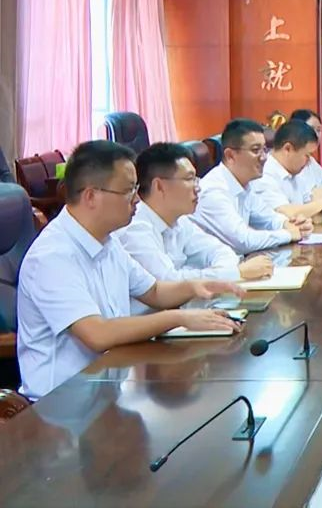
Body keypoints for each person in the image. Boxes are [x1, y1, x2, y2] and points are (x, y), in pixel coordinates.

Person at [17, 141, 242, 401]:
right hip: (61, 405)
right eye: (128, 191)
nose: (137, 199)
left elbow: (154, 291)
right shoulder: (52, 256)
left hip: (108, 385)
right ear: (91, 196)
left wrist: (197, 286)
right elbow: (97, 334)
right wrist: (179, 318)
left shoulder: (108, 241)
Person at [117, 142, 273, 283]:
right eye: (189, 179)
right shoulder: (135, 229)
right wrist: (236, 273)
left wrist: (221, 272)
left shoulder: (180, 220)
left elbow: (221, 251)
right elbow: (167, 283)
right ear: (159, 186)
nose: (198, 187)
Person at [191, 119, 311, 254]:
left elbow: (268, 217)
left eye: (264, 149)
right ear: (230, 155)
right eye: (255, 150)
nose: (264, 157)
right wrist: (288, 234)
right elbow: (243, 241)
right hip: (214, 267)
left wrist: (291, 224)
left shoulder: (247, 184)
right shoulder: (214, 191)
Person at [256, 120, 322, 220]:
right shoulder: (264, 174)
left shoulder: (295, 173)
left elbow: (309, 204)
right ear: (287, 149)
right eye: (307, 155)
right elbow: (287, 213)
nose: (309, 162)